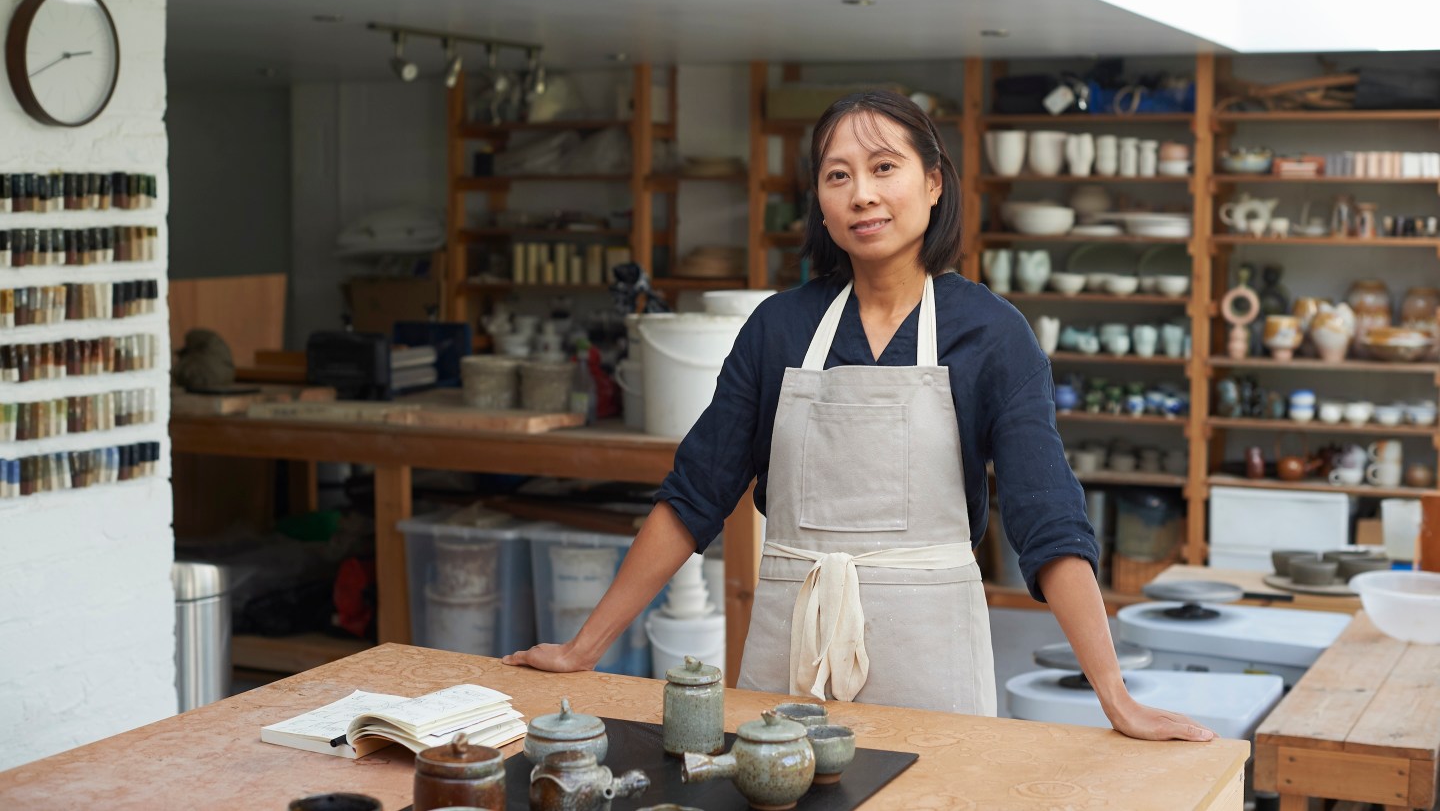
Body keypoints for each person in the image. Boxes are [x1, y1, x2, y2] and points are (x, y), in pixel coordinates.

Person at [505, 89, 1214, 742]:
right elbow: (694, 497)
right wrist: (582, 649)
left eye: (883, 167)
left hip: (932, 663)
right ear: (818, 199)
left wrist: (1114, 695)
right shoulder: (778, 330)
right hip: (790, 653)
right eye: (837, 175)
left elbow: (1047, 519)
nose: (862, 194)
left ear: (933, 183)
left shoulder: (992, 335)